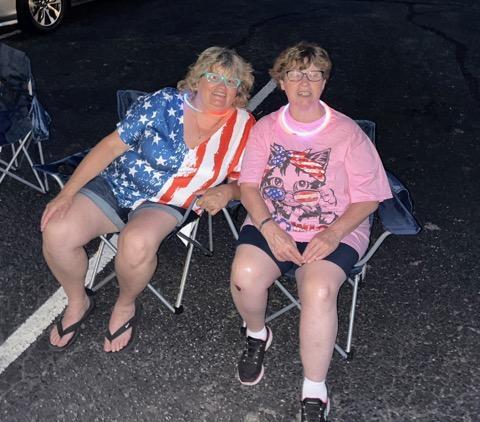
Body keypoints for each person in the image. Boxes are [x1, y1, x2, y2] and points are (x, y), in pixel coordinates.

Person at [41, 46, 255, 353]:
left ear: (240, 90)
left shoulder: (244, 126)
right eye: (213, 77)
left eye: (232, 82)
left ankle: (125, 304)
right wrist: (67, 193)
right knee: (57, 230)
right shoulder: (163, 102)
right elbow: (112, 146)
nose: (221, 88)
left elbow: (244, 180)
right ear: (197, 79)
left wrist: (229, 191)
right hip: (119, 183)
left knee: (137, 242)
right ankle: (77, 301)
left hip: (169, 201)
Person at [230, 42, 392, 421]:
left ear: (324, 81)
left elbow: (369, 199)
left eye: (314, 74)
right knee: (245, 276)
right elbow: (249, 186)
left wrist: (332, 233)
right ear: (281, 82)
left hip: (335, 227)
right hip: (275, 221)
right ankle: (257, 335)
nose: (304, 84)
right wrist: (268, 228)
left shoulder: (347, 132)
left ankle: (314, 388)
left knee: (318, 291)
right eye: (295, 75)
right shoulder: (266, 129)